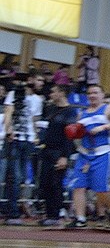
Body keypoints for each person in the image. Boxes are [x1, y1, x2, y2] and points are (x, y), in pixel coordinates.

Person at [65, 83, 110, 228]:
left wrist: (104, 127)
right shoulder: (83, 113)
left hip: (102, 153)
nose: (92, 95)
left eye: (95, 93)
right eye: (90, 93)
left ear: (102, 95)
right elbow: (78, 134)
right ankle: (80, 218)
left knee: (102, 188)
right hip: (84, 154)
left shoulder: (109, 108)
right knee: (78, 186)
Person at [3, 72, 44, 223]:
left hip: (28, 140)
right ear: (30, 80)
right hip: (16, 138)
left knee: (21, 178)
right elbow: (8, 113)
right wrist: (9, 129)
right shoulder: (13, 94)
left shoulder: (37, 100)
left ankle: (13, 209)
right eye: (37, 79)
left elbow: (34, 119)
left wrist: (36, 136)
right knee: (15, 175)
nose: (40, 83)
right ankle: (12, 211)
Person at [34, 83, 77, 225]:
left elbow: (69, 136)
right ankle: (49, 214)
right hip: (47, 150)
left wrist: (65, 156)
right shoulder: (51, 109)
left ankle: (56, 215)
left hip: (59, 152)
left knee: (56, 184)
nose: (51, 95)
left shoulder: (70, 112)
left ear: (61, 93)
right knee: (45, 183)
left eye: (53, 92)